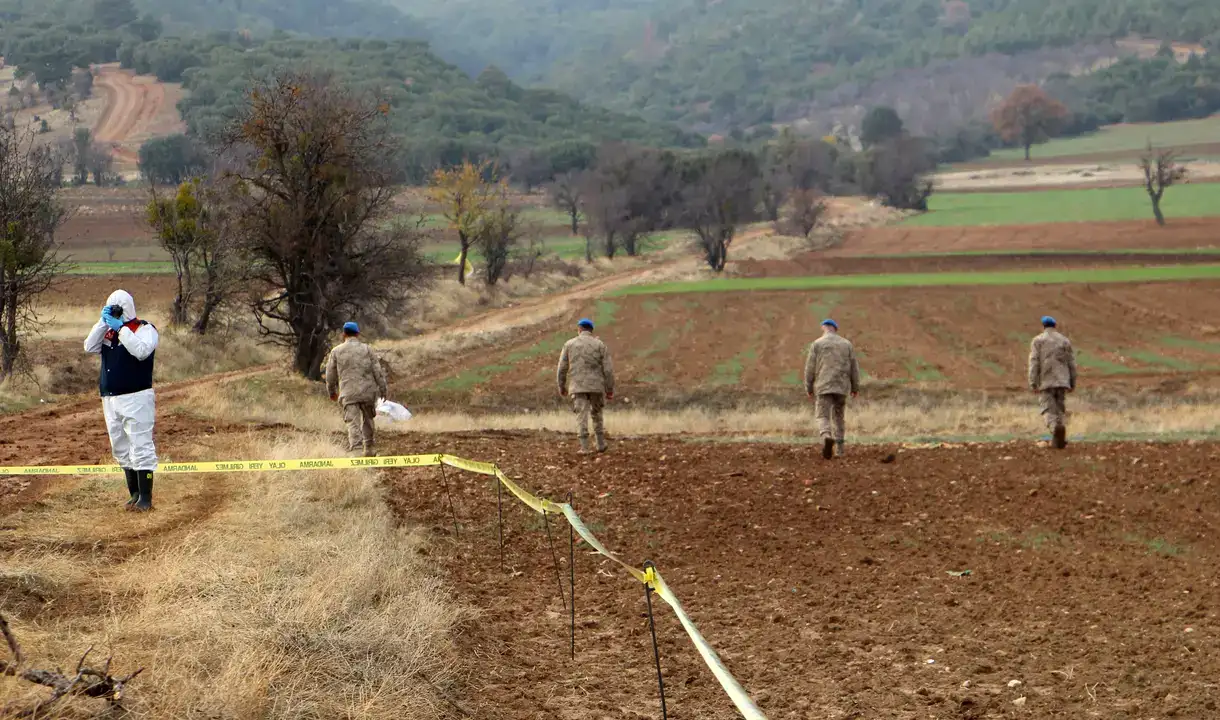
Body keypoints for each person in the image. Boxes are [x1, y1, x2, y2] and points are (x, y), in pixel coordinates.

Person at [84, 290, 159, 511]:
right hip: (111, 399)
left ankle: (146, 499)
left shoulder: (145, 330)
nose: (115, 312)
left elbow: (141, 351)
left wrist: (121, 328)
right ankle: (134, 494)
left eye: (118, 308)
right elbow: (89, 346)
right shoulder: (108, 333)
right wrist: (102, 322)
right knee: (120, 447)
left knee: (141, 445)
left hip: (136, 397)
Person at [325, 322, 388, 457]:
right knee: (368, 420)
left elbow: (330, 375)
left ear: (344, 334)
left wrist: (332, 392)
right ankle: (369, 448)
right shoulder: (367, 349)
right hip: (367, 392)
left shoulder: (336, 351)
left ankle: (357, 451)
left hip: (348, 393)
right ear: (358, 334)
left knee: (352, 423)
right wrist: (383, 389)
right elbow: (378, 371)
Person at [804, 319, 861, 460]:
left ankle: (826, 437)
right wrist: (855, 387)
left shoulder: (817, 344)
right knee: (839, 417)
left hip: (823, 385)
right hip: (842, 386)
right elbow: (854, 367)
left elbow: (810, 368)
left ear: (824, 328)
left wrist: (808, 386)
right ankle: (840, 449)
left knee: (822, 415)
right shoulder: (847, 344)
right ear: (836, 329)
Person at [556, 318, 615, 453]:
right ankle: (600, 444)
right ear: (591, 330)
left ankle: (584, 447)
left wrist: (561, 386)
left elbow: (562, 368)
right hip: (596, 386)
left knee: (581, 415)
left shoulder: (569, 344)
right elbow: (608, 369)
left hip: (578, 386)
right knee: (597, 414)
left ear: (579, 329)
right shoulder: (600, 345)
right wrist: (609, 389)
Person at [1028, 316, 1077, 449]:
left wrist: (1033, 382)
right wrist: (1073, 382)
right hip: (1062, 381)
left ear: (1043, 326)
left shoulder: (1038, 341)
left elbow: (1034, 362)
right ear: (1055, 326)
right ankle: (1059, 438)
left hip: (1046, 381)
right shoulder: (1064, 341)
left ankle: (1056, 430)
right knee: (1059, 409)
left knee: (1048, 409)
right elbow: (1071, 363)